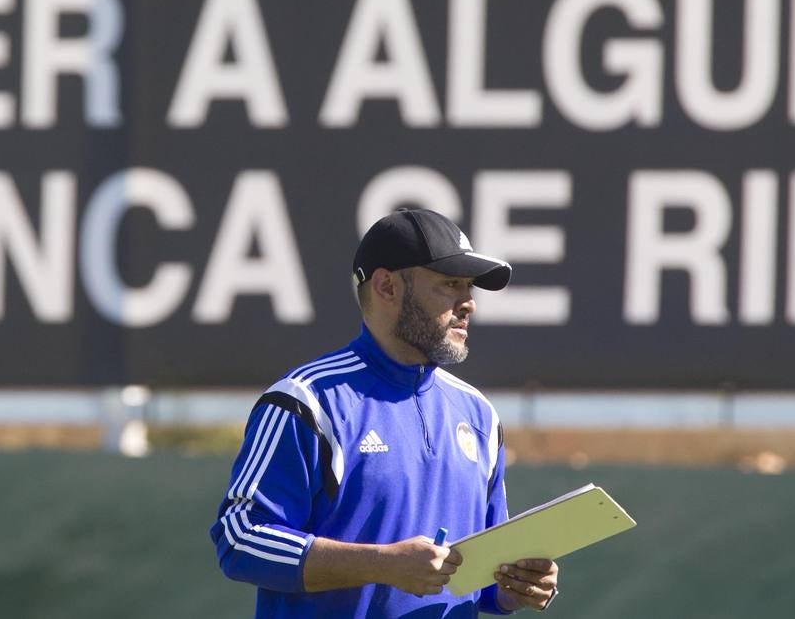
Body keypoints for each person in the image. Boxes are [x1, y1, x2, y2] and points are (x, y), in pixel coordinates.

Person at [210, 208, 560, 617]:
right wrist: (385, 564)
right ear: (387, 286)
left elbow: (479, 580)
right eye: (450, 284)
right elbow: (239, 540)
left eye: (470, 288)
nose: (469, 304)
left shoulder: (480, 416)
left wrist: (515, 588)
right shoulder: (307, 400)